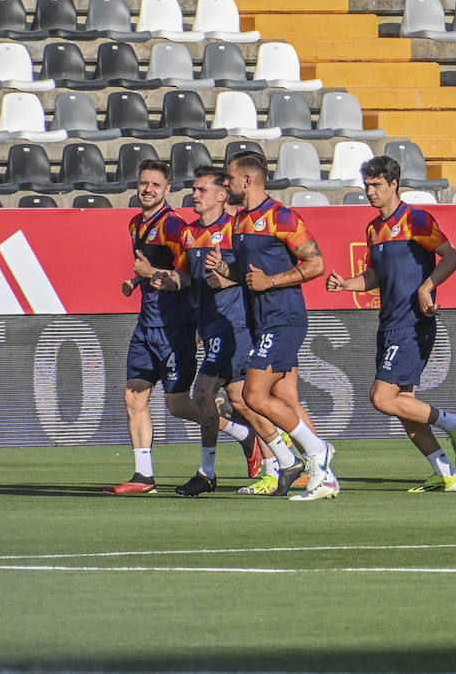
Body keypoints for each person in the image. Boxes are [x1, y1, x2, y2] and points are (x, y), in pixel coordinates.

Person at [326, 155, 456, 492]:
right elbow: (376, 275)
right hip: (389, 321)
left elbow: (451, 256)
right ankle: (446, 473)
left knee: (381, 398)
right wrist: (347, 283)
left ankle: (455, 423)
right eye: (366, 185)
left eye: (377, 184)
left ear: (394, 184)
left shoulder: (417, 220)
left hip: (413, 322)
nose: (370, 191)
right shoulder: (374, 228)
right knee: (404, 407)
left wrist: (427, 286)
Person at [205, 151, 337, 500]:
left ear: (247, 180)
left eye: (229, 178)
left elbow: (316, 264)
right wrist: (225, 269)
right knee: (279, 397)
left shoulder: (283, 217)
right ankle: (317, 470)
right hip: (260, 322)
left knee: (252, 394)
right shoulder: (238, 222)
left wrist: (273, 281)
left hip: (284, 318)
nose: (226, 183)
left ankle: (316, 452)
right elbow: (248, 277)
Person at [176, 166, 289, 497]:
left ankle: (209, 471)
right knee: (242, 400)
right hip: (211, 328)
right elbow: (188, 279)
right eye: (194, 189)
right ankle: (281, 462)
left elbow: (254, 273)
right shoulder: (188, 234)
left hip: (237, 325)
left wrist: (228, 278)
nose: (195, 195)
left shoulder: (237, 228)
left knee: (204, 392)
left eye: (202, 189)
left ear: (222, 195)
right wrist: (163, 277)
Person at [105, 160, 208, 495]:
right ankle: (143, 477)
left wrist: (149, 275)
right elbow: (155, 267)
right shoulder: (136, 224)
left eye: (155, 184)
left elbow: (190, 276)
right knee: (134, 395)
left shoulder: (175, 226)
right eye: (143, 183)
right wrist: (136, 279)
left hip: (175, 327)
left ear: (168, 190)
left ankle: (242, 432)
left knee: (177, 406)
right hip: (147, 324)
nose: (147, 189)